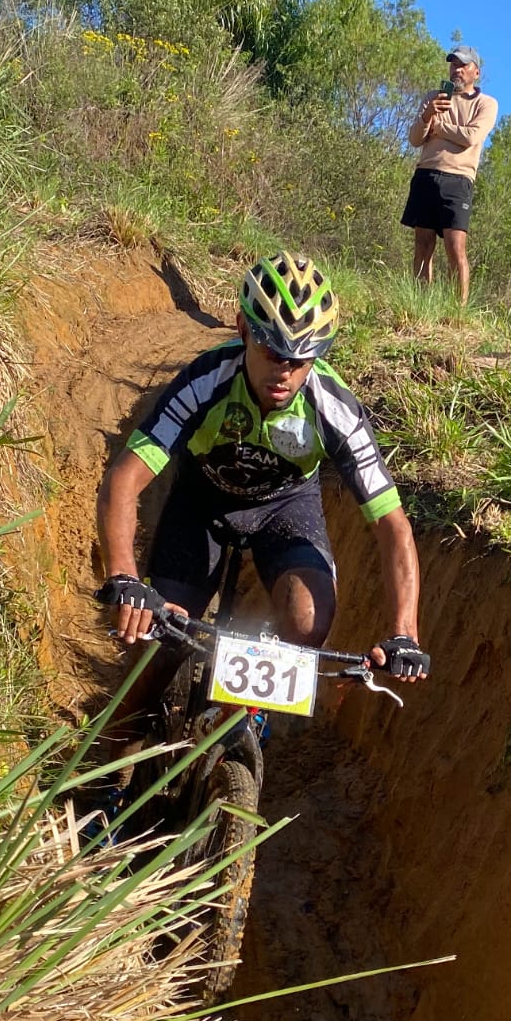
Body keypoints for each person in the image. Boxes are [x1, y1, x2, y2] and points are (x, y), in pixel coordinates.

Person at [96, 251, 430, 740]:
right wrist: (124, 575)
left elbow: (391, 524)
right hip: (201, 504)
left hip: (284, 509)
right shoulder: (205, 379)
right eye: (273, 352)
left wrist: (405, 632)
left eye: (300, 360)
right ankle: (111, 764)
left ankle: (244, 718)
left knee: (306, 624)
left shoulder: (334, 407)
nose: (285, 373)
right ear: (243, 330)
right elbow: (125, 479)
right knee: (159, 648)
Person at [402, 46, 497, 306]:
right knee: (422, 245)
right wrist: (427, 116)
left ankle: (458, 310)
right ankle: (420, 305)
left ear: (476, 72)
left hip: (458, 179)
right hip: (426, 174)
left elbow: (471, 136)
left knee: (456, 248)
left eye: (463, 65)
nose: (457, 70)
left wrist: (439, 126)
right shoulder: (433, 98)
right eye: (453, 64)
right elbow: (415, 139)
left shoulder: (486, 103)